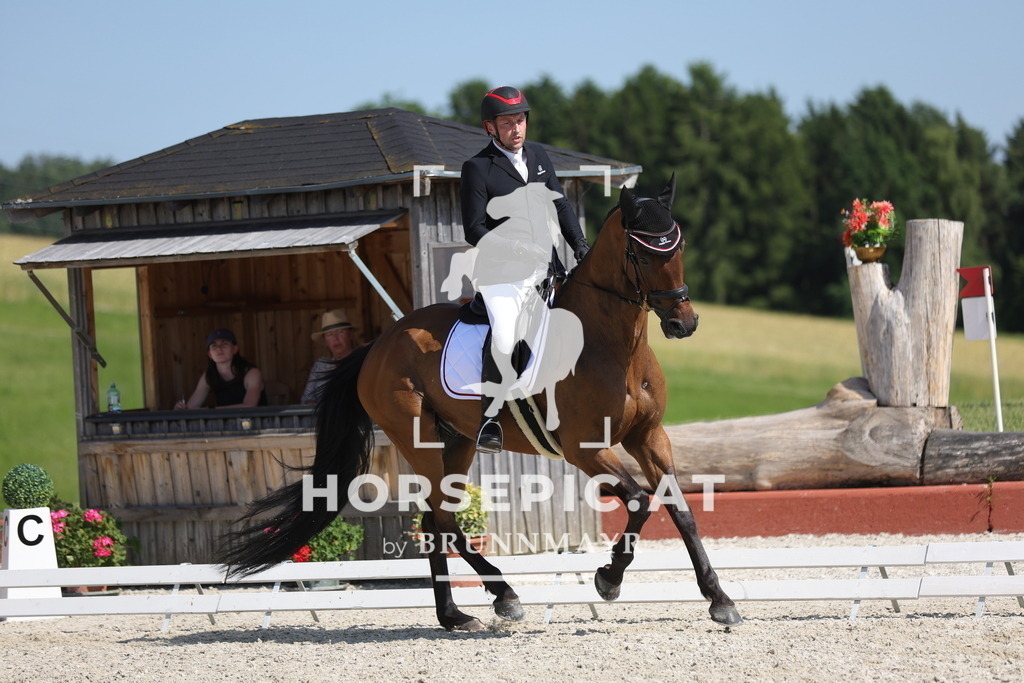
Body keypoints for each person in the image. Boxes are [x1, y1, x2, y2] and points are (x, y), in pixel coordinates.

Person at [460, 85, 590, 453]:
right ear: (490, 128)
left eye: (520, 120)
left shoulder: (538, 156)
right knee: (504, 333)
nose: (516, 129)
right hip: (502, 275)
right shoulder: (477, 168)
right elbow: (474, 230)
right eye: (507, 123)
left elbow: (561, 205)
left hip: (548, 269)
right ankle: (489, 419)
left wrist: (580, 245)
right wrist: (514, 247)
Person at [174, 328, 267, 409]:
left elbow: (250, 406)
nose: (219, 349)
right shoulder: (209, 376)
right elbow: (191, 407)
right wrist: (181, 409)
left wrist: (211, 410)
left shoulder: (251, 373)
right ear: (210, 354)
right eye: (214, 346)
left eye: (224, 344)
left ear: (235, 349)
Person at [301, 309, 357, 404]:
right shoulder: (320, 366)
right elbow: (307, 398)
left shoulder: (363, 361)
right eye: (329, 334)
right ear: (325, 340)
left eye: (340, 332)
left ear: (350, 334)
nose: (335, 339)